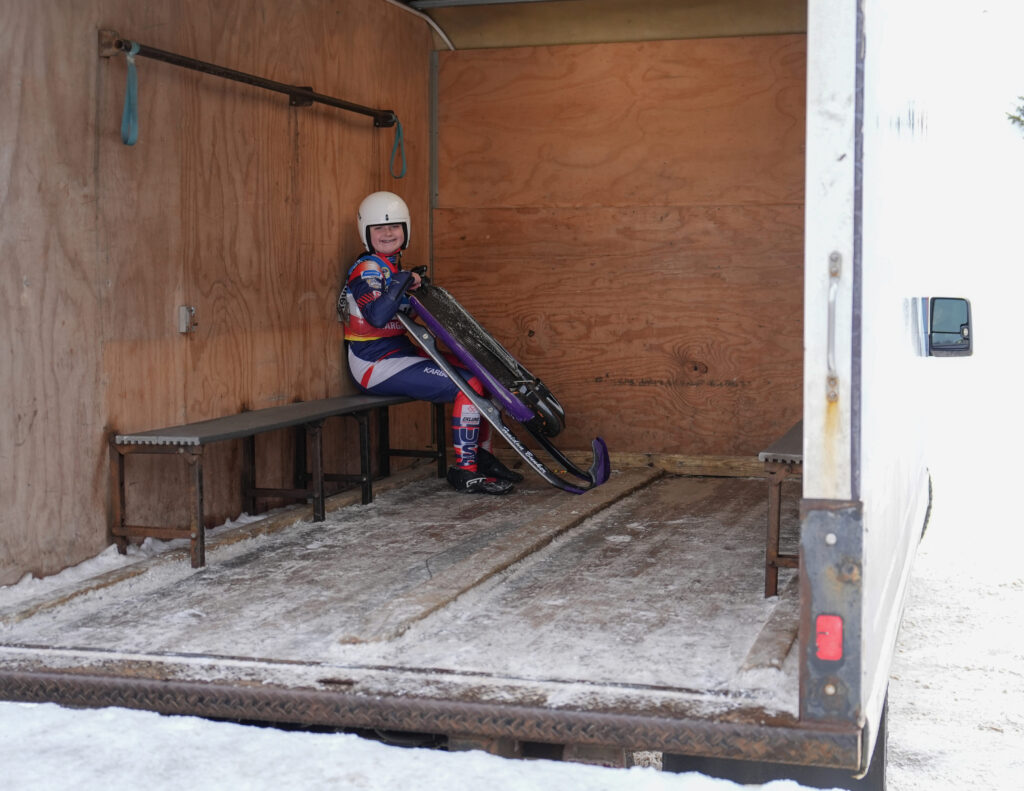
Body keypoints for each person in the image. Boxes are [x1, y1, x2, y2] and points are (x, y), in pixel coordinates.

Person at [338, 191, 522, 495]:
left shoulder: (394, 268)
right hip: (373, 363)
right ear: (366, 233)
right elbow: (378, 315)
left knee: (484, 375)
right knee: (470, 385)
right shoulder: (367, 269)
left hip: (399, 353)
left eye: (394, 227)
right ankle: (466, 470)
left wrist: (413, 286)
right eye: (379, 229)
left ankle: (482, 457)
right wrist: (400, 285)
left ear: (406, 230)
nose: (387, 233)